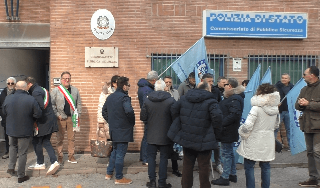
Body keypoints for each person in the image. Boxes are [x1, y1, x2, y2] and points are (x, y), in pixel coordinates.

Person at [168, 81, 223, 188]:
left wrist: (181, 123)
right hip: (205, 139)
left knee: (187, 166)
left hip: (187, 137)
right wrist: (216, 134)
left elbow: (173, 109)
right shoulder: (211, 101)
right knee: (204, 167)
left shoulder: (184, 98)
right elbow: (218, 118)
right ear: (207, 89)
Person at [237, 83, 280, 188]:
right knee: (266, 167)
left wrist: (241, 133)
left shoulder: (256, 108)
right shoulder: (275, 109)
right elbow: (276, 125)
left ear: (260, 93)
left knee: (249, 166)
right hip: (268, 141)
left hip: (254, 140)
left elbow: (247, 126)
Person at [3, 81, 42, 183]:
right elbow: (38, 114)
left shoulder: (8, 98)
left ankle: (11, 168)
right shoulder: (31, 99)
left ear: (16, 88)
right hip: (25, 129)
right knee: (22, 152)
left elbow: (4, 111)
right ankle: (21, 176)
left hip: (11, 129)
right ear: (25, 88)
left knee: (12, 147)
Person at [140, 79, 175, 188]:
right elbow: (174, 117)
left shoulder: (147, 100)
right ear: (165, 87)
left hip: (151, 134)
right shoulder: (171, 100)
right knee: (164, 158)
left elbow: (143, 117)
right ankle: (162, 183)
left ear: (154, 88)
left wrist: (150, 122)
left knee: (151, 158)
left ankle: (152, 182)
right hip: (165, 134)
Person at [212, 78, 244, 186]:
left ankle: (225, 177)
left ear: (229, 86)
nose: (223, 86)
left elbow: (234, 115)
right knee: (229, 152)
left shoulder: (234, 98)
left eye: (225, 84)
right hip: (228, 130)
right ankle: (232, 175)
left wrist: (221, 123)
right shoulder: (233, 98)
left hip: (227, 131)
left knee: (226, 154)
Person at [103, 76, 135, 185]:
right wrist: (131, 122)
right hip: (123, 130)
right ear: (124, 86)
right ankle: (119, 177)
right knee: (120, 153)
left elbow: (104, 111)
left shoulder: (110, 97)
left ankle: (109, 173)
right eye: (128, 85)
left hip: (114, 129)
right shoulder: (124, 98)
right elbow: (129, 111)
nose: (129, 87)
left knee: (115, 152)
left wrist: (111, 121)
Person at [25, 77, 60, 175]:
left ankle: (46, 162)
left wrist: (33, 118)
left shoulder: (36, 92)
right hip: (48, 120)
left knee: (37, 141)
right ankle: (51, 162)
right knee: (45, 141)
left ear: (29, 84)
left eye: (25, 85)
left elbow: (39, 108)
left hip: (44, 121)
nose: (25, 88)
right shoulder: (41, 89)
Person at [295, 66, 320, 187]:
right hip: (307, 124)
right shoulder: (304, 89)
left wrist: (309, 104)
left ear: (312, 75)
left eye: (305, 74)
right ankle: (313, 178)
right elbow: (296, 104)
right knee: (310, 152)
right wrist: (301, 104)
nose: (303, 76)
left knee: (317, 152)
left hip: (319, 126)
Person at [51, 71, 82, 164]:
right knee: (60, 138)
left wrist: (78, 115)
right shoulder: (56, 90)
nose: (67, 80)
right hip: (61, 119)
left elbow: (79, 103)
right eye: (65, 78)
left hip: (72, 118)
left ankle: (71, 156)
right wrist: (57, 115)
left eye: (68, 78)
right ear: (61, 80)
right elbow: (51, 105)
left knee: (71, 138)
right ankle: (60, 156)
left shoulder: (75, 90)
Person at [201, 73, 223, 174]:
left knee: (216, 145)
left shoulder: (216, 91)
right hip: (203, 121)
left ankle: (218, 163)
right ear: (203, 81)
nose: (211, 83)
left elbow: (218, 104)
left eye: (212, 81)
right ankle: (203, 164)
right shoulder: (199, 91)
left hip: (213, 120)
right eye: (209, 81)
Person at [137, 70, 158, 165]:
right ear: (154, 80)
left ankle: (143, 157)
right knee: (147, 137)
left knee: (146, 135)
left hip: (146, 115)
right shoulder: (147, 89)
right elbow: (148, 104)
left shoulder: (144, 87)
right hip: (149, 116)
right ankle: (145, 159)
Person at [163, 75, 182, 177]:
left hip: (173, 122)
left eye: (170, 82)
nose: (168, 84)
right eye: (166, 82)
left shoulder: (175, 92)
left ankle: (175, 169)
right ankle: (164, 169)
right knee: (165, 148)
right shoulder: (160, 93)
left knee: (174, 147)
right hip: (164, 123)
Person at [97, 75, 120, 140]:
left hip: (119, 121)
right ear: (113, 83)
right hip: (108, 121)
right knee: (110, 140)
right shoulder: (105, 93)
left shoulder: (122, 93)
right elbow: (101, 107)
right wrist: (100, 121)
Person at [275, 73, 294, 149]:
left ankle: (290, 146)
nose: (284, 79)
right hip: (279, 111)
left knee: (289, 129)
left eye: (285, 78)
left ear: (289, 79)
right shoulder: (276, 87)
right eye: (282, 78)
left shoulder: (292, 88)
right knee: (275, 128)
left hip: (288, 111)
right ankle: (274, 146)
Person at [0, 77, 16, 159]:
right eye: (8, 83)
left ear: (15, 84)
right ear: (6, 84)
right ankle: (8, 152)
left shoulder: (17, 92)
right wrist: (2, 114)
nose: (10, 85)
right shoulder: (3, 92)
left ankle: (15, 153)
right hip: (6, 119)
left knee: (15, 136)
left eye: (12, 83)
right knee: (6, 136)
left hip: (15, 119)